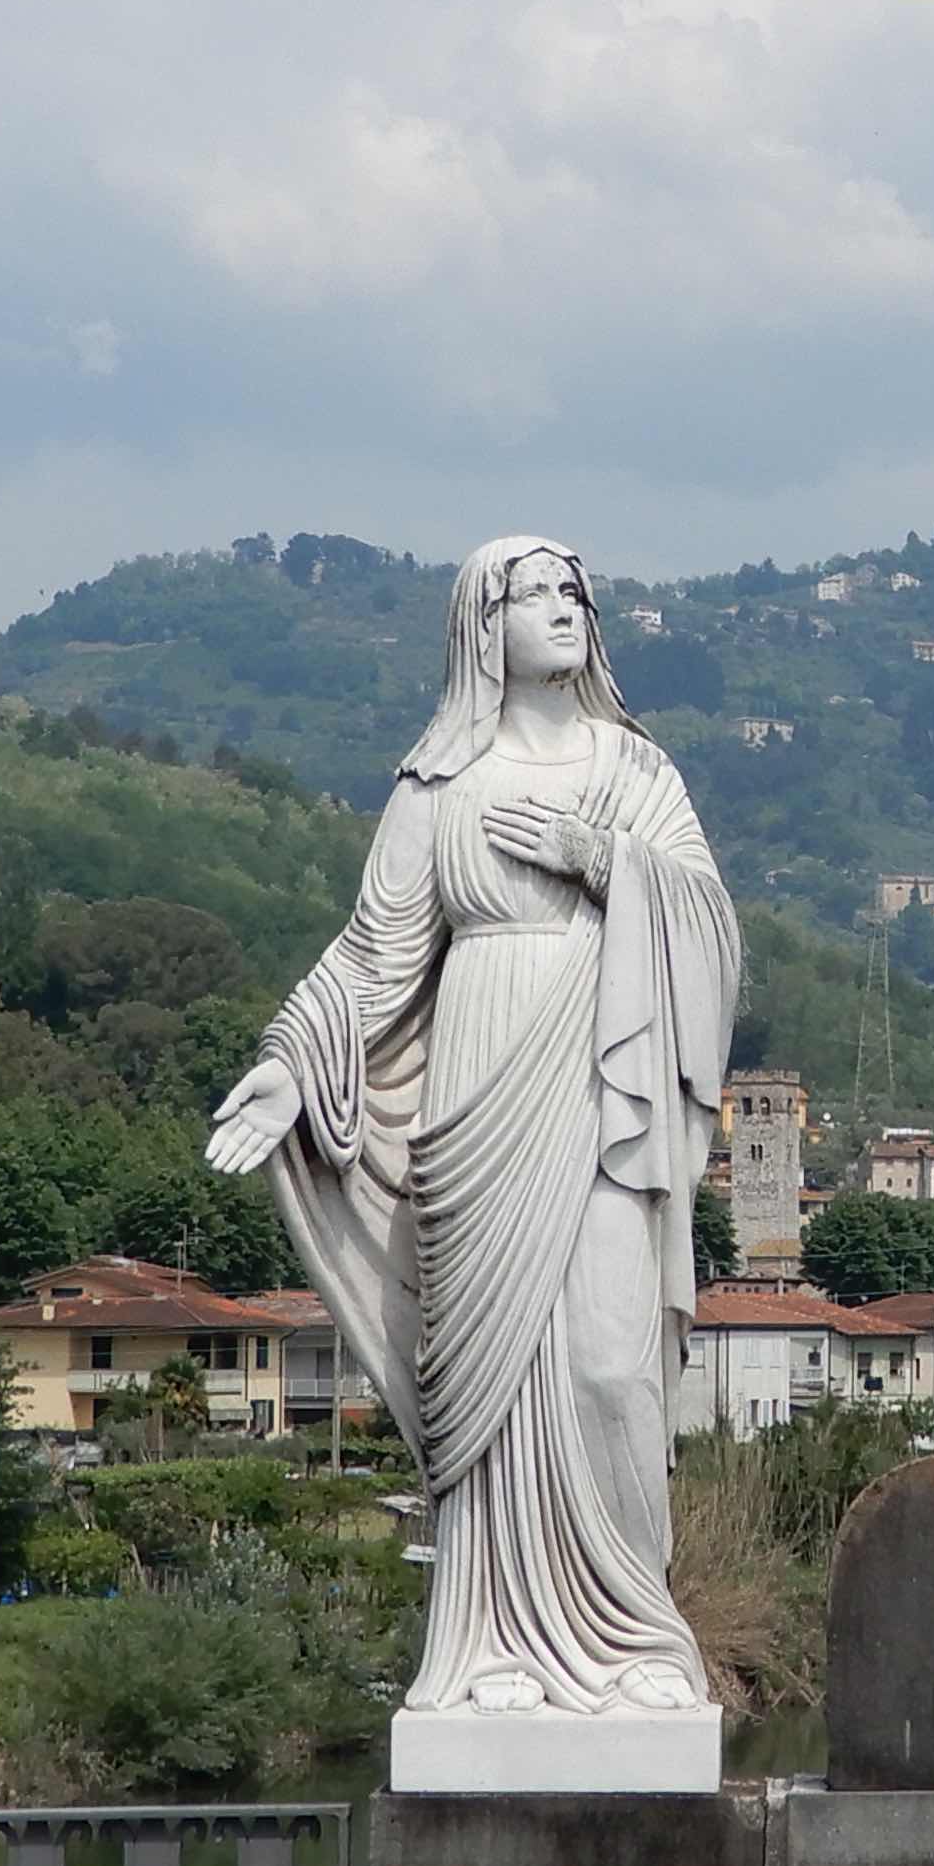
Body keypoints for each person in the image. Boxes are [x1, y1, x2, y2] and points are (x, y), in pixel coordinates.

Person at [209, 535, 739, 1716]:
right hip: (478, 1079)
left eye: (573, 592)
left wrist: (599, 858)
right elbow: (377, 953)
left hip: (600, 1085)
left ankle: (635, 1639)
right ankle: (494, 1645)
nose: (560, 608)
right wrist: (292, 1064)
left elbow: (707, 923)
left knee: (609, 1365)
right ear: (480, 628)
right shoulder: (439, 786)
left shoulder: (637, 772)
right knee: (489, 1386)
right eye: (529, 593)